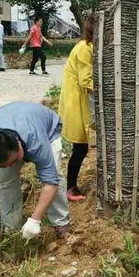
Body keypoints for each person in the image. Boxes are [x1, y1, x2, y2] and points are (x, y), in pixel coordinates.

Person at [0, 102, 71, 239]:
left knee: (55, 175)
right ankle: (10, 228)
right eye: (3, 165)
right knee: (6, 181)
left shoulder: (37, 143)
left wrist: (35, 220)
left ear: (18, 145)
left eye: (14, 161)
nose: (11, 166)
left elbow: (51, 183)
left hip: (47, 130)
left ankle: (61, 223)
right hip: (13, 119)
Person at [58, 15, 95, 202]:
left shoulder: (88, 46)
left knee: (81, 147)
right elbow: (86, 80)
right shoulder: (85, 48)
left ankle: (70, 186)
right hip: (75, 103)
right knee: (80, 148)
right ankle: (70, 188)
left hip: (77, 100)